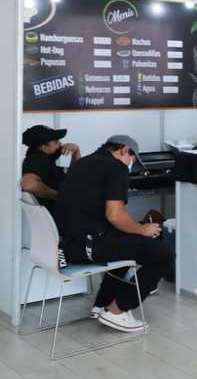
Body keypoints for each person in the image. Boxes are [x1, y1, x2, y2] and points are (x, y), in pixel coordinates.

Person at [55, 135, 168, 333]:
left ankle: (101, 305)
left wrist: (136, 229)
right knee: (162, 254)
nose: (131, 164)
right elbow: (115, 215)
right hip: (88, 247)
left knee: (125, 243)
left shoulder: (82, 163)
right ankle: (117, 311)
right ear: (125, 150)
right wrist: (143, 229)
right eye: (132, 159)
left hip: (67, 246)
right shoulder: (117, 168)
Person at [20, 125, 80, 215]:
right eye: (56, 142)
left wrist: (75, 153)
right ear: (45, 148)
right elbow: (29, 184)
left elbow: (75, 177)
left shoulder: (46, 162)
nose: (60, 144)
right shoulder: (37, 159)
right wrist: (59, 196)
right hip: (58, 218)